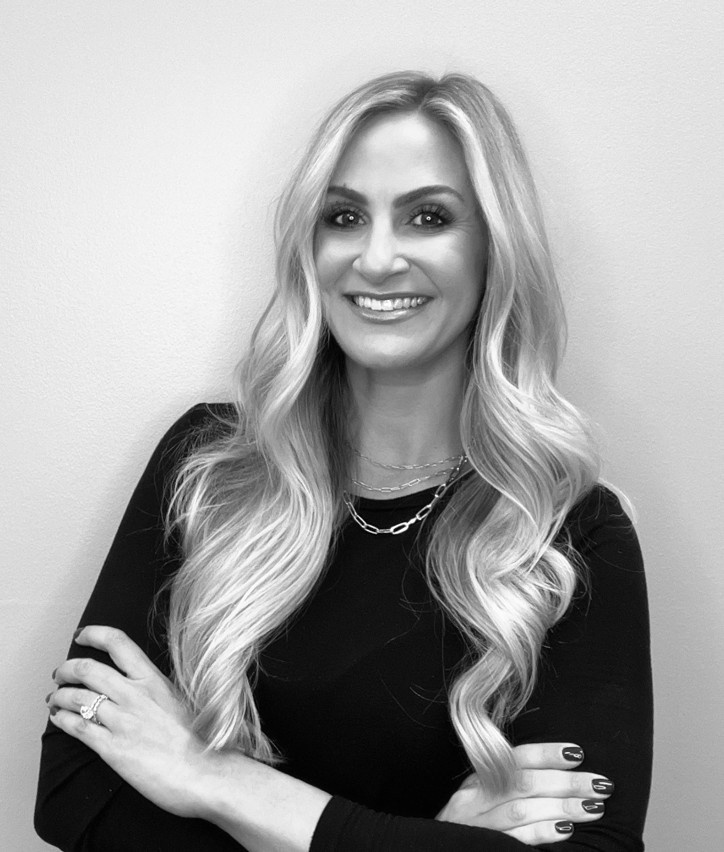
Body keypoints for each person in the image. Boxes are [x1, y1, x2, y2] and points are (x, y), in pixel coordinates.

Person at [35, 71, 652, 851]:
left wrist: (211, 778)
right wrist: (421, 841)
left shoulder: (570, 534)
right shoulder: (208, 467)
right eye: (345, 216)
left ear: (495, 248)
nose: (378, 258)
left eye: (429, 217)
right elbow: (71, 799)